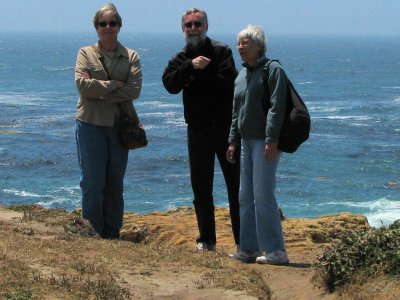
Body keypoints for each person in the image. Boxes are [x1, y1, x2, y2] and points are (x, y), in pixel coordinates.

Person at [162, 8, 240, 251]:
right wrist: (190, 68)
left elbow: (227, 83)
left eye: (198, 24)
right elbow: (169, 84)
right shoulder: (182, 58)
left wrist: (197, 76)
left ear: (206, 26)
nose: (193, 28)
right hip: (197, 131)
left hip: (225, 130)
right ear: (182, 29)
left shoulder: (221, 51)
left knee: (235, 187)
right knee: (201, 187)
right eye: (189, 25)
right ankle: (207, 240)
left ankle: (243, 241)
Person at [74, 3, 142, 239]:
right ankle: (93, 233)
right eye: (103, 23)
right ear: (96, 27)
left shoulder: (131, 56)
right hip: (90, 124)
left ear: (119, 26)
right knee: (92, 183)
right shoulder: (85, 53)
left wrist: (98, 89)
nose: (108, 27)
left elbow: (134, 90)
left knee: (114, 183)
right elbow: (82, 86)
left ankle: (112, 233)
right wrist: (114, 86)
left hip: (118, 127)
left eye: (112, 23)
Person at [226, 25, 289, 265]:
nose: (240, 47)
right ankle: (249, 248)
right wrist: (233, 139)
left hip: (265, 142)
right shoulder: (242, 75)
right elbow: (236, 111)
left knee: (263, 195)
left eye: (245, 43)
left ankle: (275, 251)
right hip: (245, 141)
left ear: (259, 46)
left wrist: (272, 139)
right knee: (245, 196)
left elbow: (277, 107)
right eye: (239, 43)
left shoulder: (273, 70)